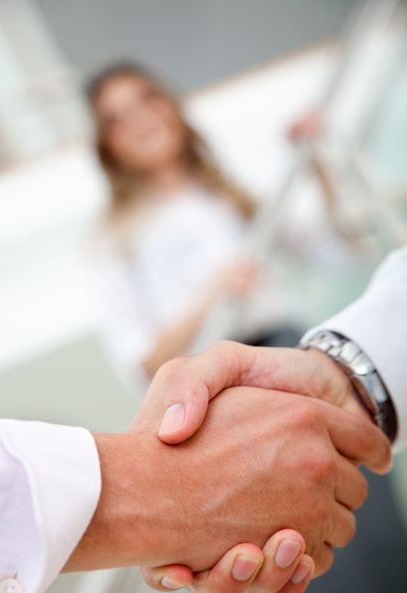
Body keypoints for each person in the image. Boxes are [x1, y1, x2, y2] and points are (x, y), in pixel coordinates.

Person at [0, 248, 403, 593]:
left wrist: (341, 377)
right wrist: (161, 488)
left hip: (280, 395)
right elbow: (143, 356)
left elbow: (325, 243)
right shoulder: (113, 248)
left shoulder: (223, 192)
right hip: (246, 413)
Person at [88, 63, 326, 381]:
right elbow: (142, 362)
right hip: (217, 384)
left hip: (287, 351)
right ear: (107, 146)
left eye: (147, 100)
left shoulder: (232, 197)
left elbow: (332, 247)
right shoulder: (116, 240)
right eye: (116, 119)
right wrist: (213, 298)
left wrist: (313, 157)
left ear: (171, 106)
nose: (139, 120)